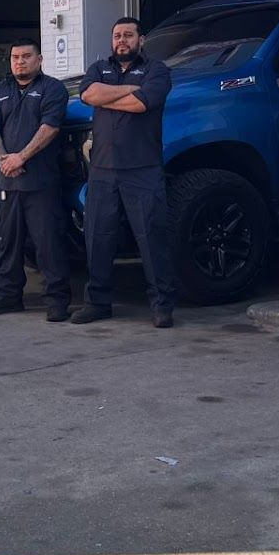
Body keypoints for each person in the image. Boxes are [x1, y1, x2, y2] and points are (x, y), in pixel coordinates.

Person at [76, 16, 178, 328]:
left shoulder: (157, 70)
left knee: (151, 238)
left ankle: (162, 305)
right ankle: (98, 303)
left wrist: (107, 98)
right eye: (117, 36)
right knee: (98, 238)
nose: (122, 41)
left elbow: (142, 104)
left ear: (141, 40)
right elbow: (87, 95)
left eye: (128, 35)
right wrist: (128, 91)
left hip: (142, 168)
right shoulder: (98, 68)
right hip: (102, 169)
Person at [0, 37, 71, 319]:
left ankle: (57, 300)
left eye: (26, 56)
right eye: (15, 57)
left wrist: (21, 158)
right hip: (8, 181)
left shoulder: (52, 89)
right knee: (8, 243)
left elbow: (50, 128)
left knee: (48, 244)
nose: (20, 62)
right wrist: (4, 160)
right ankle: (8, 296)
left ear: (39, 60)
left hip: (41, 182)